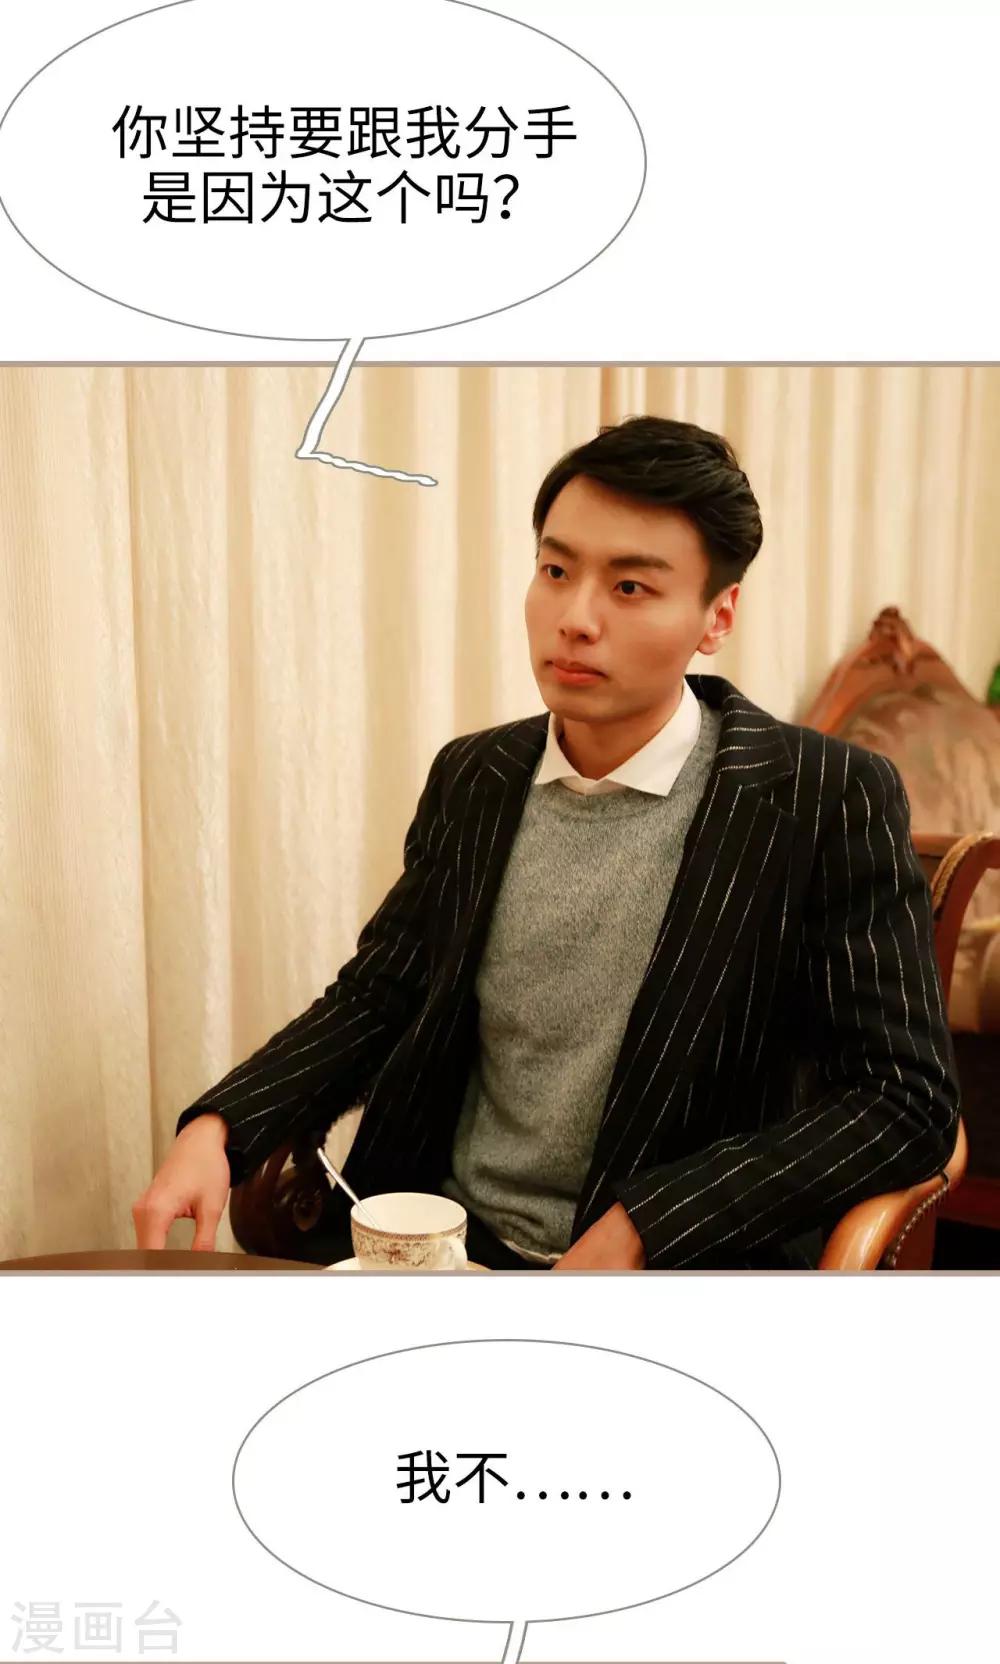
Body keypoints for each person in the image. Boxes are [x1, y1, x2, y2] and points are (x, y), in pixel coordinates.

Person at [132, 416, 960, 1269]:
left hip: (673, 1268)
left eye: (630, 587)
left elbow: (904, 1100)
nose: (575, 618)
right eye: (556, 571)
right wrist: (221, 1126)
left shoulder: (823, 799)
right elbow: (381, 994)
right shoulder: (477, 776)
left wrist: (649, 1225)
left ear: (717, 617)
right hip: (443, 1249)